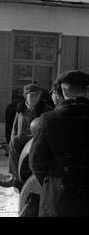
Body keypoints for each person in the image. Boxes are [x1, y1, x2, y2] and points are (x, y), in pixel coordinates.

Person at [30, 70, 89, 217]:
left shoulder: (49, 119)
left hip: (59, 198)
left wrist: (51, 183)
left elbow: (36, 162)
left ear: (62, 91)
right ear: (87, 91)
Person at [0, 83, 52, 190]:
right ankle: (14, 177)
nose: (35, 98)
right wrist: (11, 143)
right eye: (32, 95)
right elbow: (14, 128)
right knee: (15, 141)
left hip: (37, 142)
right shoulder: (20, 109)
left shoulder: (46, 110)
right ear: (25, 96)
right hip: (21, 144)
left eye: (37, 95)